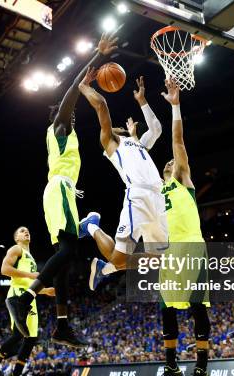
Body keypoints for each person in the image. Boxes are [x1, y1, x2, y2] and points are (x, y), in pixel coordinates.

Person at [5, 33, 118, 348]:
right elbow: (71, 91)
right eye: (66, 112)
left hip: (60, 192)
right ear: (58, 116)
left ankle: (63, 326)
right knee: (69, 252)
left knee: (65, 259)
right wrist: (96, 57)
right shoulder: (60, 127)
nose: (72, 114)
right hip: (58, 191)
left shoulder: (63, 137)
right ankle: (25, 299)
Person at [76, 72, 167, 290]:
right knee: (119, 258)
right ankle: (91, 228)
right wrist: (83, 86)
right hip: (138, 196)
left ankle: (104, 268)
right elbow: (101, 105)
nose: (117, 126)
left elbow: (156, 129)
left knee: (163, 261)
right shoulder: (111, 143)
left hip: (160, 197)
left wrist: (142, 101)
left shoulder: (137, 143)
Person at [155, 79, 211, 376]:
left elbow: (177, 141)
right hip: (170, 252)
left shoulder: (182, 180)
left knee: (195, 307)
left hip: (191, 245)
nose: (171, 163)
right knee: (165, 310)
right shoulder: (158, 187)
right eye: (167, 165)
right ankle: (172, 366)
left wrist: (174, 104)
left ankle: (201, 369)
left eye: (174, 162)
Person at [0, 226, 55, 376]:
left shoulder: (30, 257)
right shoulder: (16, 249)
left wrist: (46, 291)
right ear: (16, 238)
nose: (26, 232)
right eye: (22, 231)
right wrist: (32, 276)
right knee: (18, 334)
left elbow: (29, 283)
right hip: (17, 297)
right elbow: (4, 269)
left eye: (27, 231)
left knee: (31, 339)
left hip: (30, 298)